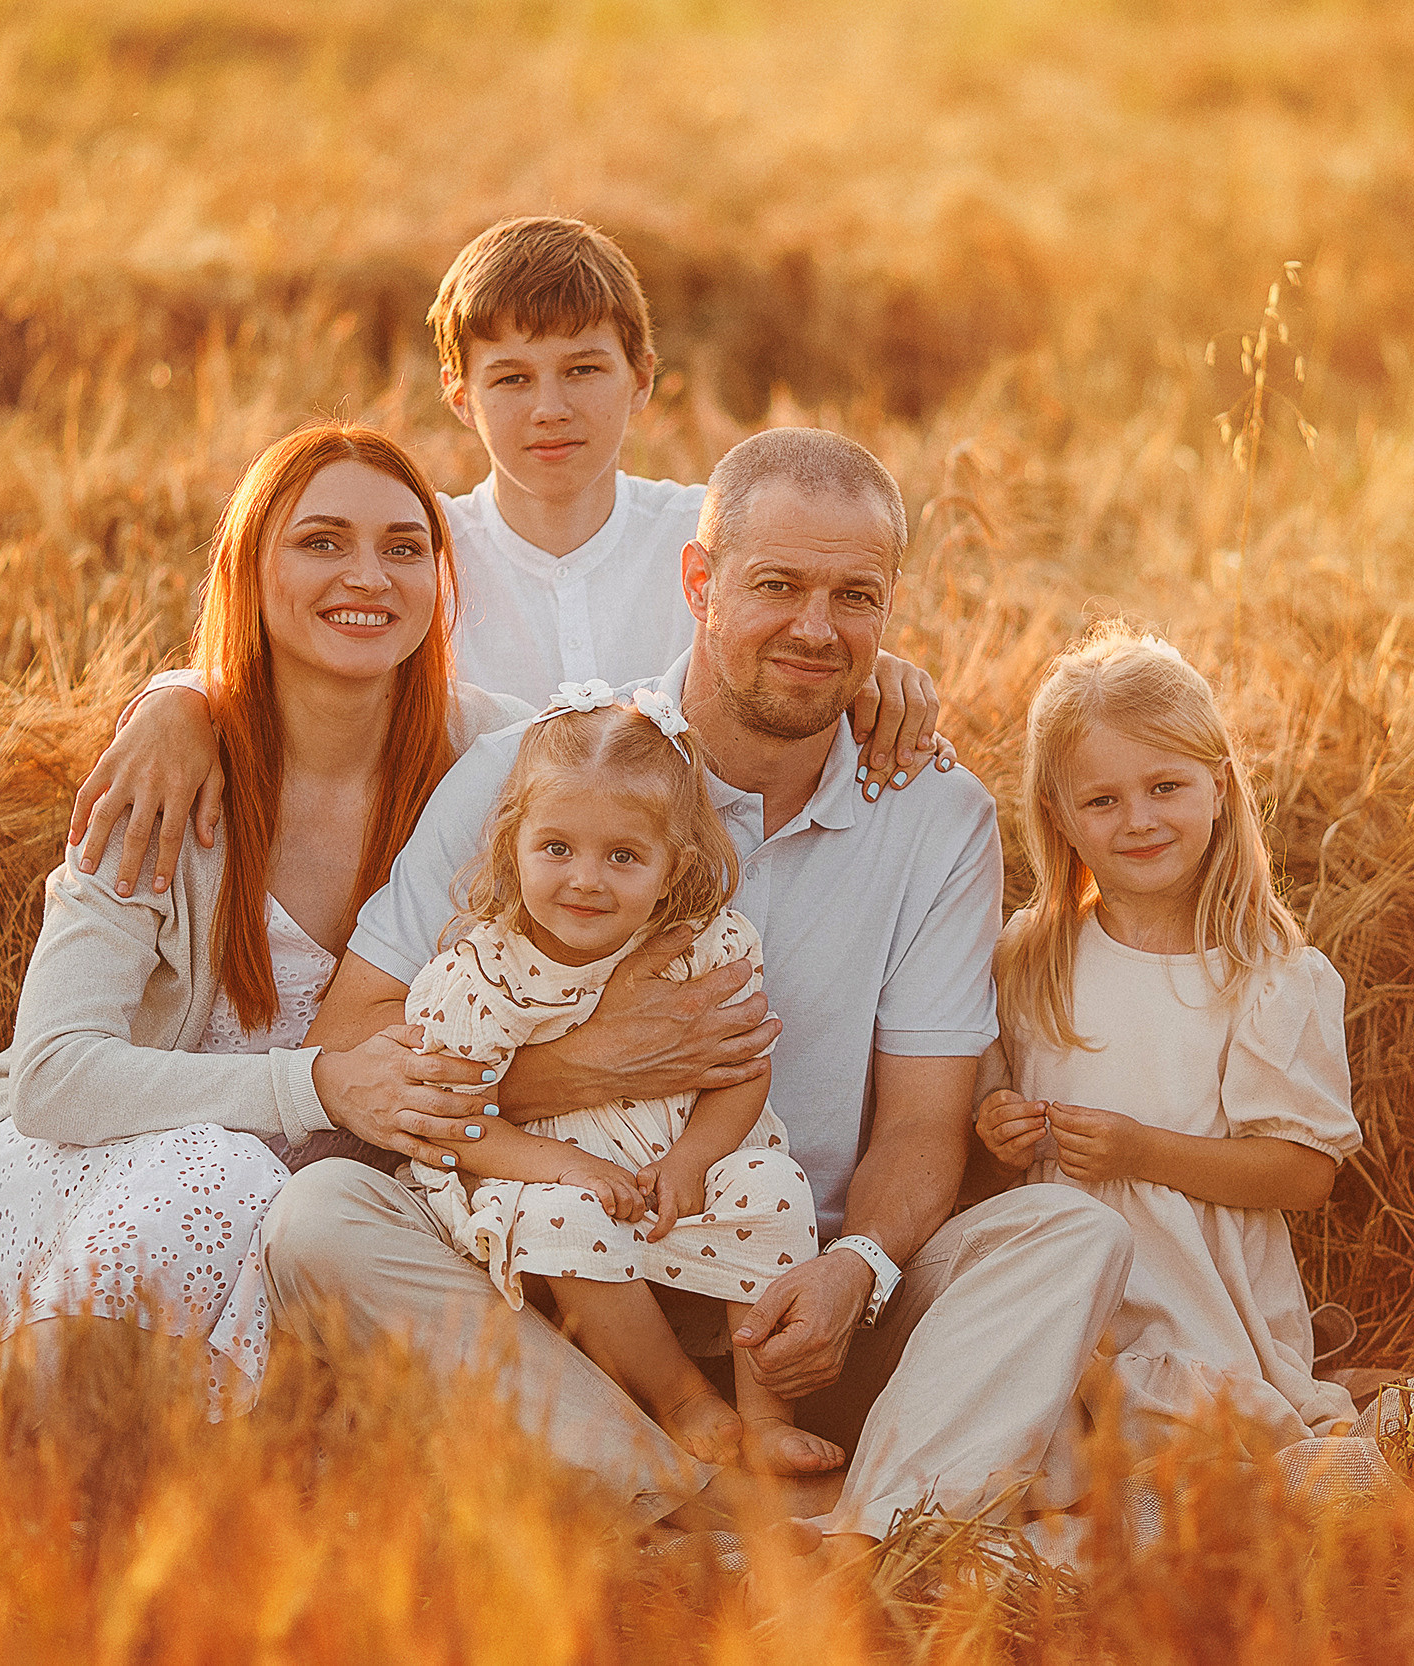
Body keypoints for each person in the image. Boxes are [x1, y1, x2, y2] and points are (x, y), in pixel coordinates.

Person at [259, 427, 1138, 1551]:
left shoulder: (934, 814)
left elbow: (923, 1121)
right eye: (777, 585)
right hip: (555, 1297)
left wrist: (856, 1268)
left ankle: (864, 1543)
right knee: (320, 1219)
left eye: (854, 597)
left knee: (1068, 1234)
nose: (815, 628)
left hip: (802, 1302)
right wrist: (578, 1069)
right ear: (697, 581)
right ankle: (705, 1508)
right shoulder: (545, 772)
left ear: (889, 608)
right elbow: (354, 1038)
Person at [0, 424, 521, 1420]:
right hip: (78, 1162)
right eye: (321, 541)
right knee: (223, 1169)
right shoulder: (166, 781)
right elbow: (54, 1079)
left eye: (403, 546)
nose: (368, 575)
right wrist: (316, 1085)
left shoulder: (491, 755)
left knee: (326, 1217)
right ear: (249, 569)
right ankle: (4, 1422)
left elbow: (650, 746)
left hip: (317, 1199)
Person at [70, 217, 952, 900]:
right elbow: (287, 658)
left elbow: (802, 627)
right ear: (459, 394)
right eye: (512, 378)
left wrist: (884, 674)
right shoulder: (415, 560)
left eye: (584, 370)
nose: (550, 409)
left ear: (644, 377)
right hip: (470, 917)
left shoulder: (710, 539)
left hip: (692, 894)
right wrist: (179, 700)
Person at [397, 685, 841, 1477]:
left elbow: (744, 1068)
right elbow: (456, 1122)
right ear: (512, 844)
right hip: (554, 1189)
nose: (586, 880)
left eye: (624, 856)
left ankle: (767, 1413)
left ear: (675, 869)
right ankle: (681, 1399)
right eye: (556, 848)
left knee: (773, 1184)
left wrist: (693, 1159)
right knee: (562, 1218)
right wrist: (569, 1166)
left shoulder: (703, 946)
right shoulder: (487, 974)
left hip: (679, 1178)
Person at [971, 622, 1363, 1465]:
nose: (1139, 821)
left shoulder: (1267, 974)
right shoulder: (1029, 958)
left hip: (1199, 1299)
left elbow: (1304, 1174)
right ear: (1059, 817)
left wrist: (1141, 1152)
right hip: (1063, 1295)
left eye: (1165, 787)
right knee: (1039, 1457)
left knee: (1206, 1449)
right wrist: (999, 1137)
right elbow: (990, 1151)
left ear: (1219, 786)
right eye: (1102, 801)